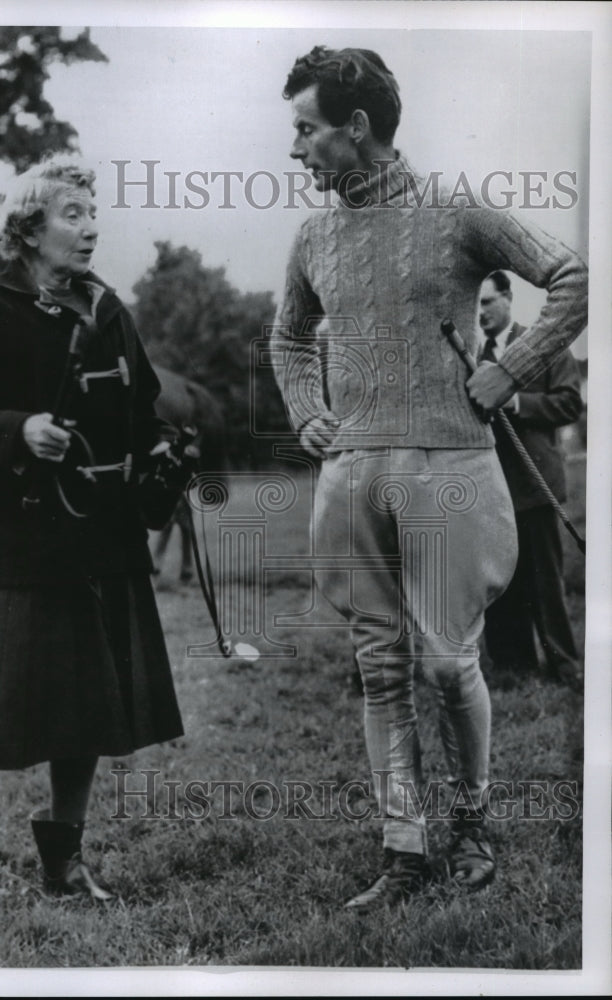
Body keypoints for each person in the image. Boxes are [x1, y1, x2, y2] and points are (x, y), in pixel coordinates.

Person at [271, 46, 587, 910]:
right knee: (381, 668)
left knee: (448, 665)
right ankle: (403, 849)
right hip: (352, 473)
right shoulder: (314, 234)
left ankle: (474, 826)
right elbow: (289, 337)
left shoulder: (455, 210)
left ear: (357, 127)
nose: (295, 150)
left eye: (306, 131)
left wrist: (511, 369)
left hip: (451, 466)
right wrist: (307, 413)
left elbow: (573, 277)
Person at [0, 155, 184, 908]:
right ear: (31, 229)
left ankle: (63, 866)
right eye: (73, 214)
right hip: (25, 540)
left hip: (104, 535)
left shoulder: (108, 310)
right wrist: (20, 428)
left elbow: (143, 410)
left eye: (93, 214)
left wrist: (163, 450)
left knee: (92, 707)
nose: (91, 228)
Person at [477, 270, 584, 691]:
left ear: (507, 298)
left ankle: (563, 665)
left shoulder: (542, 346)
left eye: (487, 302)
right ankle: (512, 665)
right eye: (475, 305)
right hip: (490, 490)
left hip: (536, 486)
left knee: (545, 582)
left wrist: (517, 400)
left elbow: (569, 403)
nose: (480, 312)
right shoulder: (471, 353)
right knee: (500, 584)